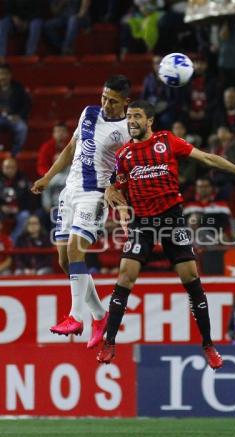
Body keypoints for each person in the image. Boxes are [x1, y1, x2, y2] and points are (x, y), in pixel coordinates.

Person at [97, 99, 235, 368]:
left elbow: (208, 158)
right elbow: (114, 186)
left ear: (149, 120)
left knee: (192, 280)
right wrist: (112, 194)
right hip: (143, 224)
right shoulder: (124, 156)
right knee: (124, 277)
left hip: (172, 220)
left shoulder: (167, 141)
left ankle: (208, 344)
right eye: (129, 117)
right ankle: (109, 341)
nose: (131, 121)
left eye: (136, 116)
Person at [31, 75, 131, 349]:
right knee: (65, 261)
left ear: (126, 102)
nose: (106, 104)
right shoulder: (88, 113)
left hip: (95, 194)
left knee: (76, 251)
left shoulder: (126, 129)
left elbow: (126, 169)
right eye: (104, 97)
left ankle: (75, 316)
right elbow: (71, 148)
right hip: (70, 192)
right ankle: (100, 315)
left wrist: (115, 192)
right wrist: (48, 178)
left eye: (113, 100)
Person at [0, 64, 31, 155]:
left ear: (10, 75)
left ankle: (15, 152)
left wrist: (19, 116)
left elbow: (26, 105)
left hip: (13, 117)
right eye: (1, 74)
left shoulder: (18, 88)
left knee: (22, 128)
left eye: (5, 74)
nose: (3, 77)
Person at [0, 157, 31, 243]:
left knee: (25, 216)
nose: (10, 170)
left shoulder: (23, 179)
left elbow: (29, 199)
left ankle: (11, 242)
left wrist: (19, 208)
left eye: (12, 167)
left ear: (16, 168)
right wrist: (1, 207)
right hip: (2, 209)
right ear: (2, 168)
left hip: (18, 209)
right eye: (7, 167)